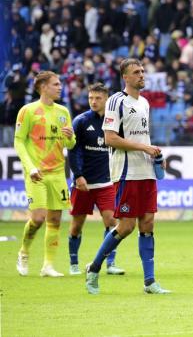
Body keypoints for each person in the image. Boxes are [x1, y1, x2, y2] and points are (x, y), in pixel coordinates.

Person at [85, 58, 170, 294]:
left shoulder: (144, 102)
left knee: (148, 223)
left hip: (145, 171)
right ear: (125, 77)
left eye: (143, 71)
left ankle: (150, 282)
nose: (142, 75)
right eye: (136, 72)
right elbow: (110, 138)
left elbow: (142, 137)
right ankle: (93, 268)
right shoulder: (116, 101)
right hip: (125, 171)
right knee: (125, 227)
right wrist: (144, 148)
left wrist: (154, 154)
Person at [15, 71, 76, 277]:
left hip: (58, 172)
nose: (60, 87)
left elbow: (70, 144)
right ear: (43, 87)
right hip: (36, 173)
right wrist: (30, 167)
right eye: (56, 84)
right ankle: (24, 252)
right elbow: (19, 141)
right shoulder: (28, 111)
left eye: (60, 84)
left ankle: (47, 266)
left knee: (55, 220)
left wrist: (70, 137)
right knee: (38, 218)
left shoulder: (63, 112)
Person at [67, 83, 125, 276]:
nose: (93, 101)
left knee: (111, 221)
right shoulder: (81, 121)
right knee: (76, 225)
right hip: (83, 183)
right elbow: (73, 151)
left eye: (98, 98)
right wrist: (78, 176)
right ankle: (74, 264)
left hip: (106, 182)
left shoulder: (114, 121)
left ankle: (110, 263)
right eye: (91, 98)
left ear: (106, 100)